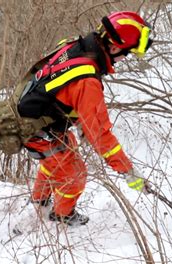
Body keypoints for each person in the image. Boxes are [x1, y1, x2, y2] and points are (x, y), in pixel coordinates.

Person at [16, 11, 154, 225]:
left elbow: (63, 90)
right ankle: (62, 217)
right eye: (126, 54)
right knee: (75, 176)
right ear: (115, 47)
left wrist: (80, 121)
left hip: (37, 120)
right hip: (34, 129)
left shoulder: (77, 47)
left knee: (61, 155)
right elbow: (99, 134)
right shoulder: (87, 80)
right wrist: (128, 171)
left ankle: (39, 201)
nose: (123, 59)